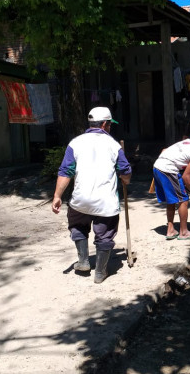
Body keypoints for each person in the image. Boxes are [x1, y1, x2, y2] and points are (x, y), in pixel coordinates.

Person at [52, 106, 132, 284]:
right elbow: (125, 171)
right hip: (106, 203)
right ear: (104, 124)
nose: (110, 127)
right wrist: (126, 180)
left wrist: (57, 195)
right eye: (110, 124)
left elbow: (66, 171)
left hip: (80, 200)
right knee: (105, 234)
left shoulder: (75, 143)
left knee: (78, 225)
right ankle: (100, 272)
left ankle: (82, 262)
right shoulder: (114, 145)